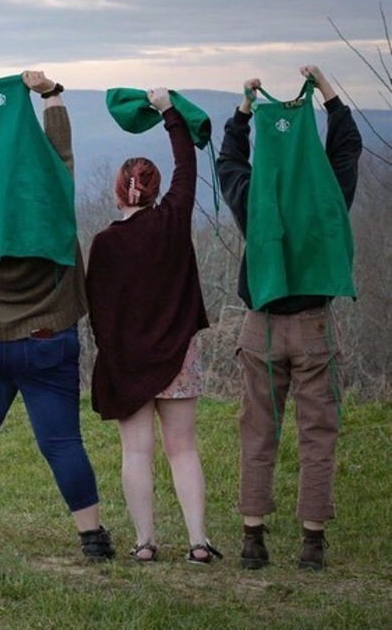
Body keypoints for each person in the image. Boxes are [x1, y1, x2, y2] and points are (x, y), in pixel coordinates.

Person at [0, 71, 114, 560]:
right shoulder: (53, 201)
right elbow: (61, 154)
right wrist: (49, 96)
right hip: (48, 339)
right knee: (62, 442)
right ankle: (92, 537)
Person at [217, 66, 362, 571]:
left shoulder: (252, 195)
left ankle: (253, 539)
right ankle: (312, 544)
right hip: (313, 325)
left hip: (261, 325)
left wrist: (244, 109)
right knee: (317, 433)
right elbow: (347, 148)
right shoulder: (329, 192)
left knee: (258, 431)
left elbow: (229, 160)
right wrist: (326, 89)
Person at [86, 88, 220, 564]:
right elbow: (189, 167)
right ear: (158, 189)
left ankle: (144, 543)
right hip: (179, 355)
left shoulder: (104, 244)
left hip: (128, 361)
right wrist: (169, 112)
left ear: (118, 191)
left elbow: (98, 314)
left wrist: (116, 358)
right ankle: (198, 542)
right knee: (182, 450)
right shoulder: (173, 219)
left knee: (137, 453)